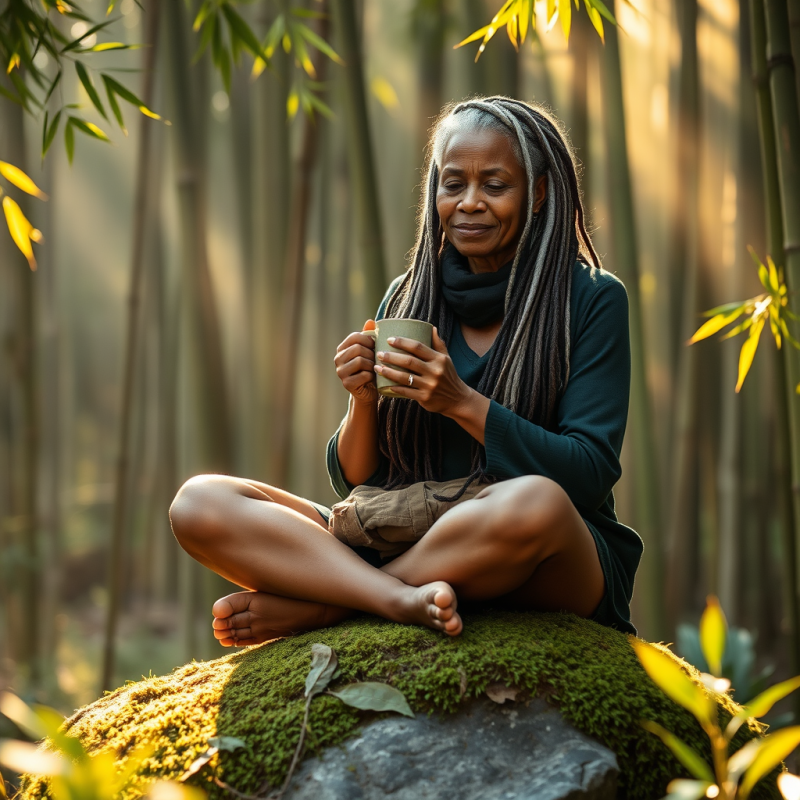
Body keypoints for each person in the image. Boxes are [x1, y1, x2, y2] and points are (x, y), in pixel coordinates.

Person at [169, 97, 643, 646]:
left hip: (537, 553)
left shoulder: (591, 300)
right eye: (453, 184)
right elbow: (358, 483)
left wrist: (459, 401)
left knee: (537, 502)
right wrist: (362, 401)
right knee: (200, 501)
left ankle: (330, 608)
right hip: (405, 530)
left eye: (494, 185)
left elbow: (586, 473)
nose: (469, 204)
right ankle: (393, 597)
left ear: (537, 193)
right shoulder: (410, 294)